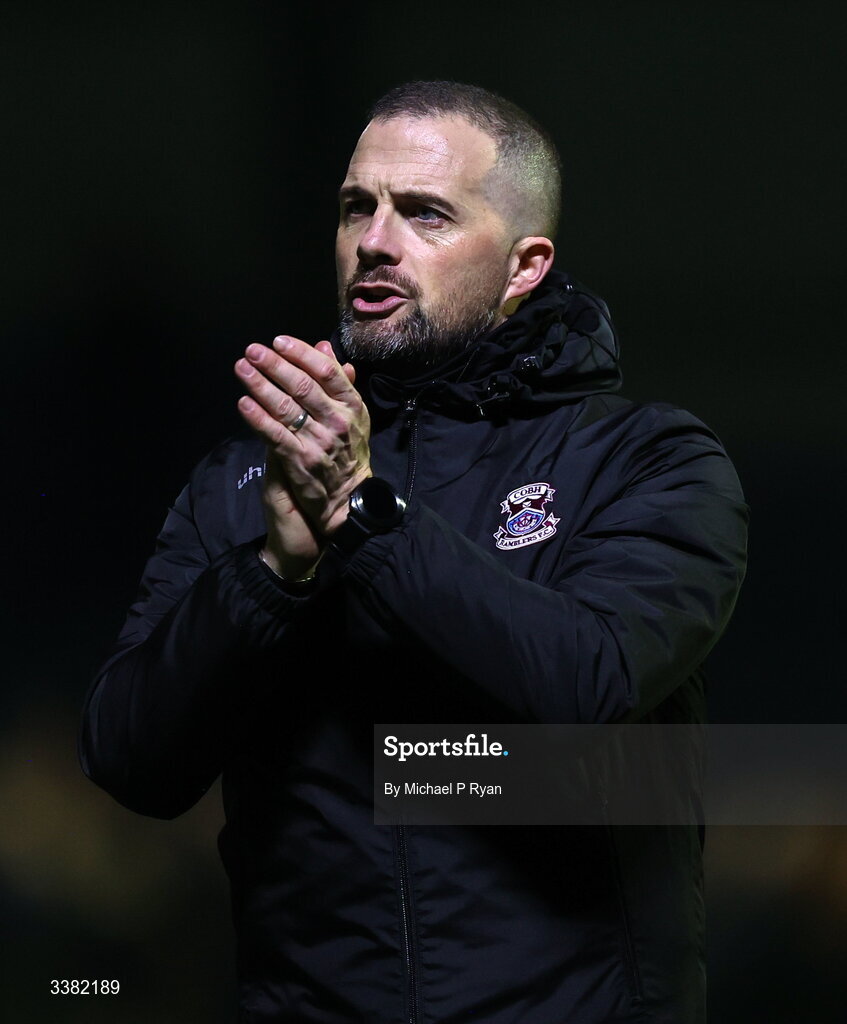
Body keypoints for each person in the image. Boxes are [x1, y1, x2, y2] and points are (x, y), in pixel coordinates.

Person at [79, 81, 748, 1023]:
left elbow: (585, 684)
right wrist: (273, 577)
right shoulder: (247, 483)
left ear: (525, 266)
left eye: (424, 212)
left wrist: (364, 512)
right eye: (359, 207)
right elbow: (128, 761)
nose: (375, 241)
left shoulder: (646, 460)